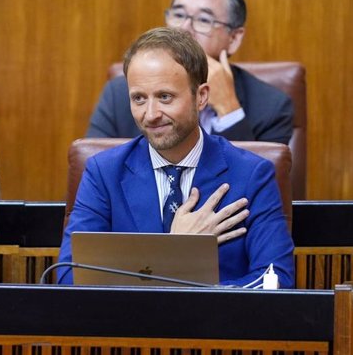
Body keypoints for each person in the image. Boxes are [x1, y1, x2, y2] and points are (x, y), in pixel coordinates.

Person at [59, 27, 294, 287]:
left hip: (217, 326)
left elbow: (276, 280)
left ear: (201, 96)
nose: (151, 114)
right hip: (128, 326)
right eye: (138, 98)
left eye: (165, 97)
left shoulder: (251, 174)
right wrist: (176, 248)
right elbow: (70, 277)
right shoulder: (104, 172)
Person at [86, 0, 293, 145]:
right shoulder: (119, 94)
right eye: (178, 15)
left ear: (234, 38)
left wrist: (229, 110)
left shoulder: (272, 107)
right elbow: (93, 174)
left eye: (203, 20)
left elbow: (263, 188)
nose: (184, 29)